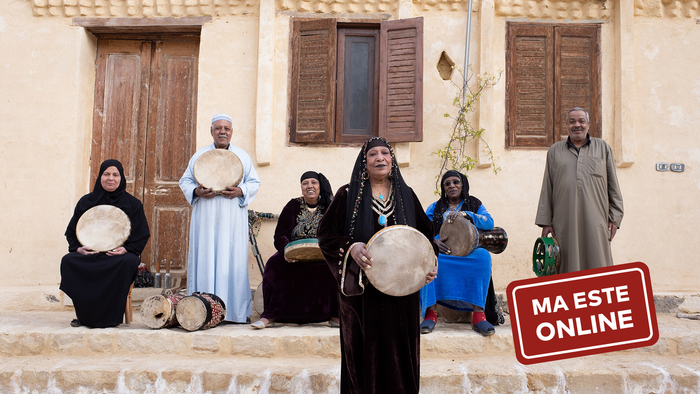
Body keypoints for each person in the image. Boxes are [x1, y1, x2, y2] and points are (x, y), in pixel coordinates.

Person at [318, 137, 438, 394]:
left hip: (401, 293)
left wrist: (430, 263)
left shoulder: (406, 195)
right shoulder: (347, 195)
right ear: (365, 161)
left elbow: (427, 236)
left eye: (385, 153)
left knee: (399, 352)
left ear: (392, 160)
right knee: (363, 352)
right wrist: (352, 247)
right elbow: (326, 234)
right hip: (362, 295)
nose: (380, 158)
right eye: (373, 154)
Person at [179, 113, 261, 323]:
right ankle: (203, 311)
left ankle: (233, 312)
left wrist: (240, 191)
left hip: (231, 217)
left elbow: (254, 183)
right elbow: (185, 181)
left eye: (226, 128)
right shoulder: (199, 155)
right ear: (212, 131)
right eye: (218, 128)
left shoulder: (242, 156)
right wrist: (197, 192)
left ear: (231, 132)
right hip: (205, 217)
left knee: (230, 258)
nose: (222, 131)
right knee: (205, 256)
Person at [60, 159, 150, 328]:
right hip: (91, 255)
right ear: (100, 177)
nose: (111, 178)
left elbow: (142, 235)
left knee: (129, 261)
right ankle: (85, 315)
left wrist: (127, 249)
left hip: (117, 258)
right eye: (106, 174)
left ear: (121, 178)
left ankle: (111, 317)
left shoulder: (133, 204)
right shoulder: (86, 202)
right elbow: (71, 232)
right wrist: (78, 248)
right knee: (68, 260)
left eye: (115, 175)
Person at [536, 107, 624, 273]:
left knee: (598, 266)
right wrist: (546, 221)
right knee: (565, 265)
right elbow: (547, 187)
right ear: (567, 125)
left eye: (581, 121)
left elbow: (614, 186)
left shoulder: (602, 148)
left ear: (588, 124)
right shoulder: (555, 150)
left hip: (597, 222)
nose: (577, 125)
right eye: (572, 122)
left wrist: (616, 218)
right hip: (564, 222)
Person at [251, 171, 339, 329]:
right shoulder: (293, 205)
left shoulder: (329, 206)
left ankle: (334, 315)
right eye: (305, 183)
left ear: (320, 186)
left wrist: (327, 250)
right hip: (294, 253)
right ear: (301, 187)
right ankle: (270, 316)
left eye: (314, 182)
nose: (309, 186)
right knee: (273, 265)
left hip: (322, 254)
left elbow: (335, 234)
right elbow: (280, 234)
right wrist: (287, 251)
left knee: (335, 266)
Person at [419, 170, 496, 336]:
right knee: (428, 259)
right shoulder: (435, 207)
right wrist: (433, 241)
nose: (452, 186)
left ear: (463, 185)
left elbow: (489, 223)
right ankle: (430, 314)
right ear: (443, 188)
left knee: (483, 257)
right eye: (447, 183)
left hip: (469, 252)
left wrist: (466, 214)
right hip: (444, 252)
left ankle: (478, 316)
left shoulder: (474, 204)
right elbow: (422, 229)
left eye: (456, 182)